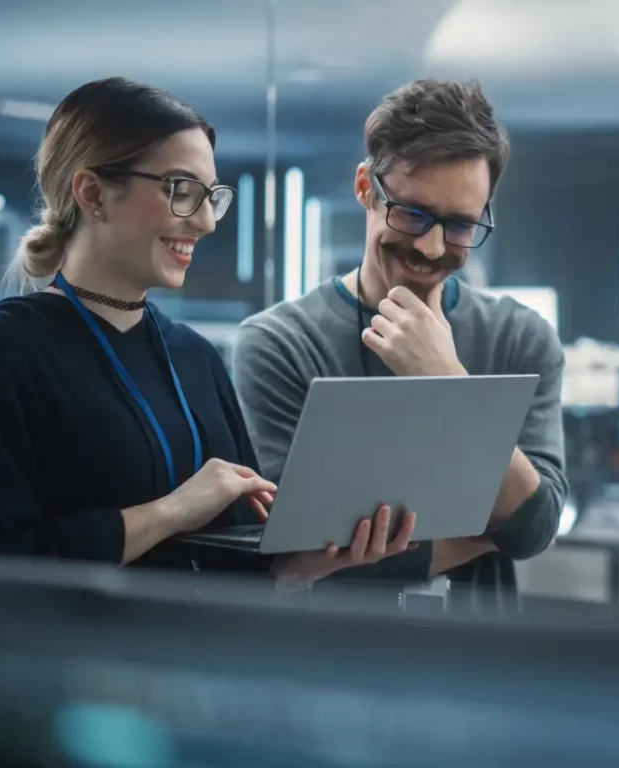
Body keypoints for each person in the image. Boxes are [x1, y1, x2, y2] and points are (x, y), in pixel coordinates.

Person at [0, 78, 416, 584]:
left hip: (197, 658)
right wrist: (173, 511)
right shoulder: (6, 349)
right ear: (93, 193)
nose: (205, 222)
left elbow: (237, 565)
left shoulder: (195, 357)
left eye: (211, 197)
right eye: (182, 191)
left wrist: (304, 564)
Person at [233, 78, 568, 587]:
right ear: (366, 188)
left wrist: (449, 381)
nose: (433, 248)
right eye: (412, 214)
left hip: (476, 656)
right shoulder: (279, 341)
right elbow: (294, 548)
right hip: (333, 653)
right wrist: (485, 530)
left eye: (460, 226)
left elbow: (535, 528)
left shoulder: (520, 337)